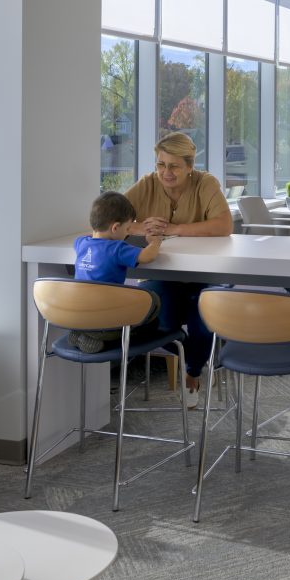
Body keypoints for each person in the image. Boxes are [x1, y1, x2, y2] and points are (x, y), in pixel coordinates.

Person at [123, 132, 232, 405]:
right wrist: (141, 227)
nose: (166, 172)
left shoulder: (205, 183)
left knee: (203, 324)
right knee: (156, 322)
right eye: (161, 164)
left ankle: (192, 373)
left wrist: (175, 229)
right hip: (164, 275)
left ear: (190, 166)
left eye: (174, 166)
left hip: (206, 275)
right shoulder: (147, 184)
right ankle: (195, 354)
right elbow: (112, 220)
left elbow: (224, 225)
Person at [68, 191, 163, 354]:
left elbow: (87, 238)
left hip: (80, 316)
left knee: (97, 315)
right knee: (153, 303)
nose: (128, 233)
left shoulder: (81, 243)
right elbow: (147, 256)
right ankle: (100, 337)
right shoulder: (118, 248)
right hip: (107, 320)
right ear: (115, 228)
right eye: (127, 228)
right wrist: (155, 242)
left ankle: (83, 333)